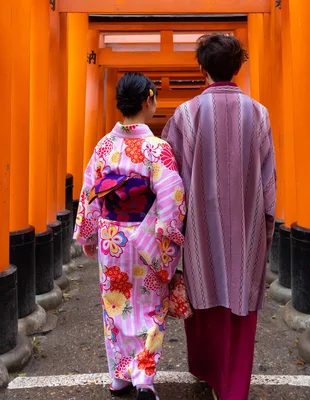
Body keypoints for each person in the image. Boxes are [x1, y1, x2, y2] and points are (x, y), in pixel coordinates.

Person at [162, 34, 277, 400]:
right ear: (238, 67)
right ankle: (234, 387)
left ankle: (210, 374)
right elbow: (268, 180)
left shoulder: (186, 114)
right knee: (241, 307)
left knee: (206, 302)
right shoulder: (258, 113)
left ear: (202, 68)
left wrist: (170, 237)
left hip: (200, 230)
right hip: (247, 227)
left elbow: (172, 182)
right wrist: (267, 229)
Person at [73, 72, 186, 400]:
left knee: (115, 305)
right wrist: (168, 241)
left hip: (112, 237)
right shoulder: (157, 148)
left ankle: (119, 377)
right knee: (150, 306)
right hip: (146, 239)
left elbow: (89, 192)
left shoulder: (104, 146)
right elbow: (172, 197)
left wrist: (89, 235)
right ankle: (143, 377)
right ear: (148, 99)